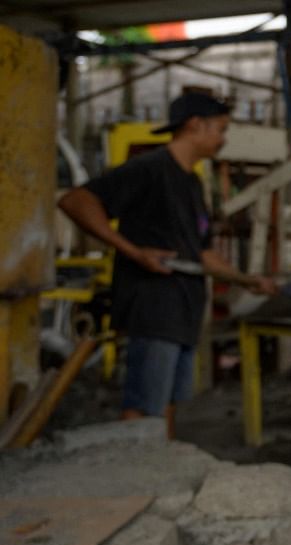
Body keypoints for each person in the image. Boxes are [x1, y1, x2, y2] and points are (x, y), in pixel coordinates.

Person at [58, 92, 276, 437]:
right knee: (145, 407)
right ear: (194, 125)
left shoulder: (190, 182)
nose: (223, 139)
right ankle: (135, 482)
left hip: (183, 310)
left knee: (167, 404)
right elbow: (76, 201)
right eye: (220, 129)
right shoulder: (151, 169)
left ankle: (161, 477)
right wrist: (133, 251)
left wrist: (244, 278)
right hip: (154, 306)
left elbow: (201, 253)